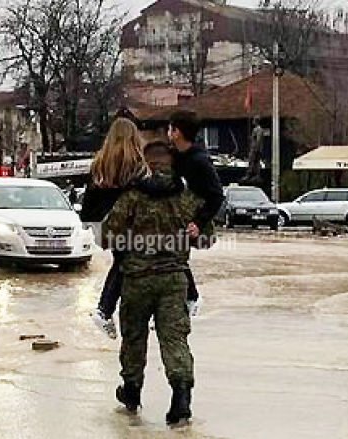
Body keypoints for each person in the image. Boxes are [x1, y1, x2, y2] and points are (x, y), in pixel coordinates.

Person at [99, 140, 197, 424]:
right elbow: (205, 233)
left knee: (134, 338)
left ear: (146, 162)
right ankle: (181, 397)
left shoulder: (132, 195)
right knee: (174, 338)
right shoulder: (185, 195)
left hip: (137, 278)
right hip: (174, 279)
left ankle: (131, 392)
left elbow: (106, 234)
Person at [80, 118, 183, 338]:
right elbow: (146, 190)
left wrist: (89, 224)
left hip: (102, 226)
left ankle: (105, 310)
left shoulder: (100, 162)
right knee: (153, 258)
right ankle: (110, 310)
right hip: (125, 224)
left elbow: (89, 201)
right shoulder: (136, 163)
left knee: (121, 262)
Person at [167, 110, 225, 306]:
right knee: (171, 257)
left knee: (176, 258)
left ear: (177, 132)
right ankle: (186, 299)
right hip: (174, 219)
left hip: (191, 221)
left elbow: (217, 195)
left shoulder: (200, 161)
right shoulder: (174, 156)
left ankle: (192, 298)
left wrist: (199, 222)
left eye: (170, 128)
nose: (167, 133)